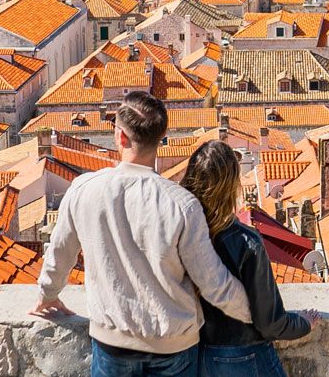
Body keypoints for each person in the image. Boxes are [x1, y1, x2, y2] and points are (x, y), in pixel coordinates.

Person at [31, 91, 253, 377]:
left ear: (121, 137)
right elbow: (214, 283)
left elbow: (60, 255)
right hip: (174, 344)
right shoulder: (182, 204)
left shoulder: (83, 190)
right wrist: (259, 316)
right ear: (161, 137)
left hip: (113, 343)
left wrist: (47, 295)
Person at [182, 141, 319, 377]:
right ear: (232, 187)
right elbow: (269, 321)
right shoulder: (247, 243)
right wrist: (303, 323)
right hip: (244, 354)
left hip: (199, 354)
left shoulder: (183, 234)